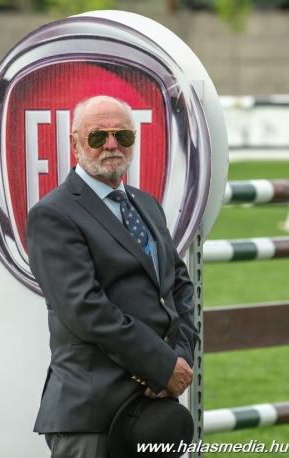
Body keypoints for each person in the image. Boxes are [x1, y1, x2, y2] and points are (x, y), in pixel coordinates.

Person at [26, 95, 199, 458]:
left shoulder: (146, 204)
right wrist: (160, 365)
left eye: (123, 135)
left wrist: (177, 360)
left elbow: (179, 287)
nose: (111, 144)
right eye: (97, 136)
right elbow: (85, 309)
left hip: (154, 408)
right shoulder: (53, 214)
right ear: (75, 143)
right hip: (92, 413)